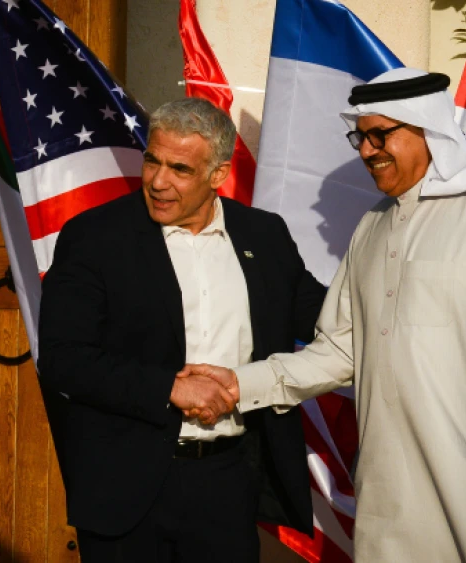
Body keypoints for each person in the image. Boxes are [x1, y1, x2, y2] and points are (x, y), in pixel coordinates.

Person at [181, 68, 466, 561]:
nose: (367, 151)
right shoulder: (372, 229)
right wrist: (239, 384)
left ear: (427, 130)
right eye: (360, 138)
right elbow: (340, 350)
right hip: (398, 497)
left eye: (380, 135)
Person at [37, 97, 326, 562]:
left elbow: (325, 318)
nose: (157, 181)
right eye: (152, 160)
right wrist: (168, 388)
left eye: (180, 169)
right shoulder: (94, 237)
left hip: (228, 484)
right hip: (126, 489)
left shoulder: (264, 236)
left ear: (218, 175)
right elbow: (62, 359)